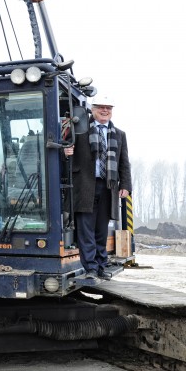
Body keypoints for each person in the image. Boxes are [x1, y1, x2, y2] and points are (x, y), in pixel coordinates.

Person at [63, 95, 131, 280]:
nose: (105, 110)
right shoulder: (79, 130)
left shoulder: (119, 134)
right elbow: (64, 151)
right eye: (101, 107)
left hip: (107, 187)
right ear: (92, 110)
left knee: (101, 230)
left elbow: (124, 163)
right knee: (86, 231)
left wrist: (125, 185)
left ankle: (101, 266)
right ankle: (91, 268)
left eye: (108, 108)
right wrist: (66, 152)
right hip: (84, 186)